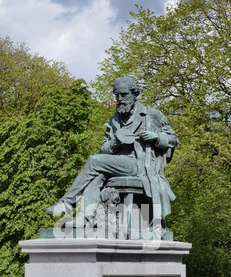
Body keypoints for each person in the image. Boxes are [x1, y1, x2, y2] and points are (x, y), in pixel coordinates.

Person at [46, 76, 178, 236]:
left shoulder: (152, 115)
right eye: (117, 96)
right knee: (96, 175)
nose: (119, 99)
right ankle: (86, 218)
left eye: (124, 95)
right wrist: (114, 142)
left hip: (140, 164)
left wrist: (156, 137)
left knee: (94, 162)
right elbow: (104, 148)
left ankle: (66, 203)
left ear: (134, 93)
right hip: (118, 164)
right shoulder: (115, 119)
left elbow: (173, 139)